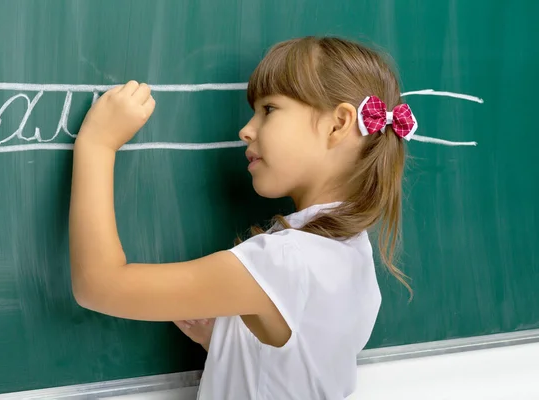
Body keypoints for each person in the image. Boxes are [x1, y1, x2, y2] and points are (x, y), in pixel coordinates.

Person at [69, 35, 417, 399]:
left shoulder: (285, 260)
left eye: (269, 109)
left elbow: (99, 285)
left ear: (337, 124)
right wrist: (227, 342)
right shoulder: (351, 252)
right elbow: (298, 366)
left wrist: (97, 145)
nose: (246, 129)